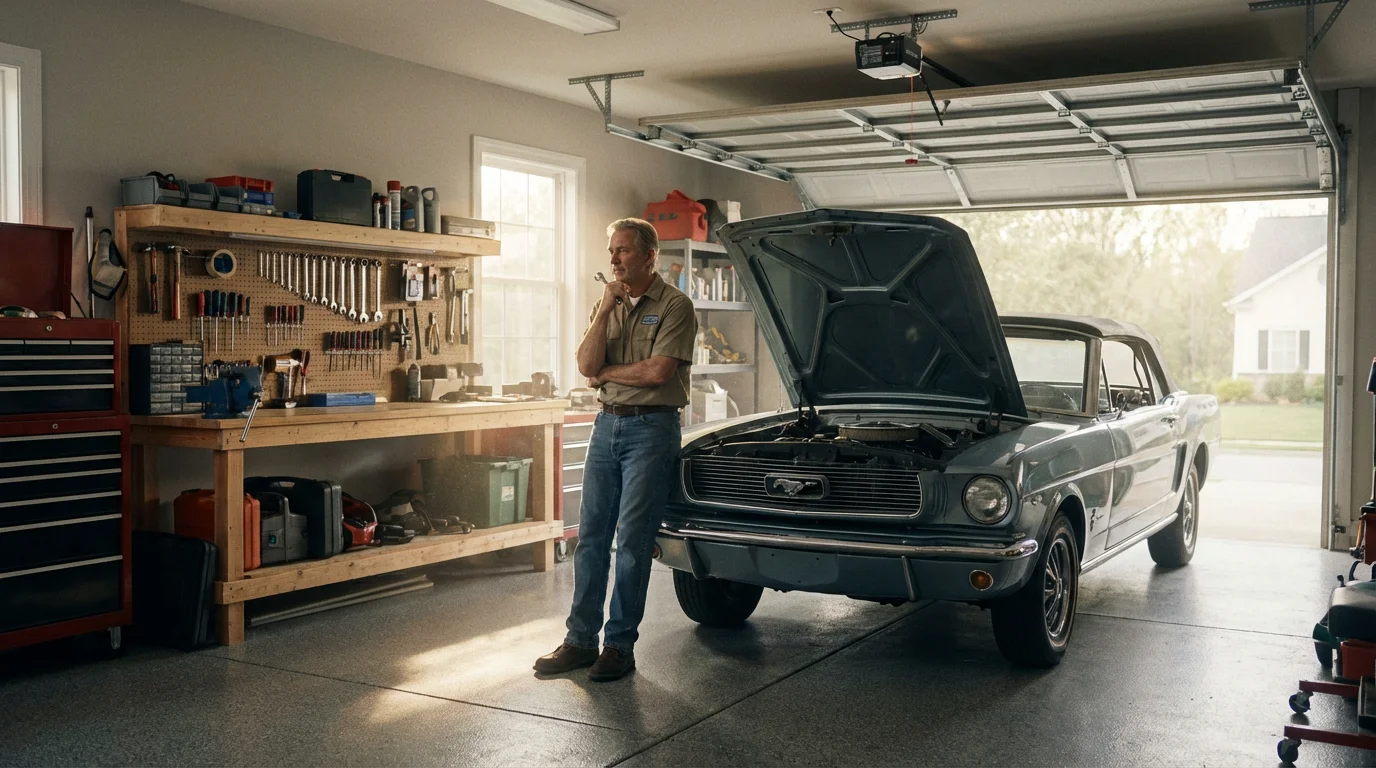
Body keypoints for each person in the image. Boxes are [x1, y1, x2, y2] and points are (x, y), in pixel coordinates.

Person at [534, 218, 697, 682]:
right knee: (590, 539)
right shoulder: (607, 303)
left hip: (651, 430)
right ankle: (580, 641)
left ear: (650, 256)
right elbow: (586, 364)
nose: (613, 260)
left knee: (632, 544)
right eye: (611, 251)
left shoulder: (675, 305)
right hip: (606, 427)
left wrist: (607, 373)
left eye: (623, 251)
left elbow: (657, 373)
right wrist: (605, 309)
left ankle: (619, 647)